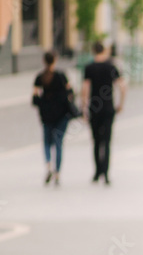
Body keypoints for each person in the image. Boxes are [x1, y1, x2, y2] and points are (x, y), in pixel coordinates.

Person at [81, 41, 126, 185]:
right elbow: (123, 86)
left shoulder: (89, 67)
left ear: (93, 51)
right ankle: (106, 174)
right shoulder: (111, 66)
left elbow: (85, 89)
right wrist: (120, 104)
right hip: (108, 108)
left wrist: (84, 107)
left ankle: (97, 172)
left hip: (94, 109)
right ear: (104, 51)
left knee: (95, 141)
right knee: (106, 141)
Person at [32, 51, 74, 186]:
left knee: (46, 141)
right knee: (58, 142)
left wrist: (44, 104)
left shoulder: (40, 77)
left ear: (44, 61)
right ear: (54, 60)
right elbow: (70, 92)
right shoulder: (61, 75)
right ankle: (57, 172)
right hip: (61, 114)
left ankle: (49, 165)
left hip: (46, 114)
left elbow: (35, 97)